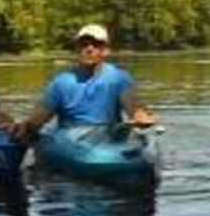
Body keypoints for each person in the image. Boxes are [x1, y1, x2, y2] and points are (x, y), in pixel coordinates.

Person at [11, 23, 157, 140]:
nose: (89, 49)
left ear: (106, 50)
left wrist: (141, 117)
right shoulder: (61, 82)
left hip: (107, 138)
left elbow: (133, 107)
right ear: (77, 49)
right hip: (71, 141)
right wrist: (27, 127)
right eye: (84, 44)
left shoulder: (119, 78)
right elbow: (39, 118)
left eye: (96, 44)